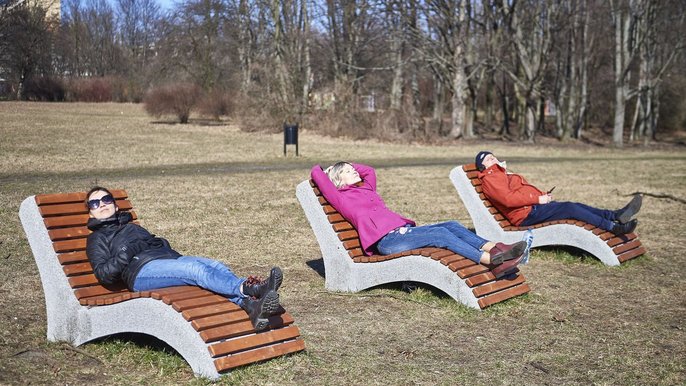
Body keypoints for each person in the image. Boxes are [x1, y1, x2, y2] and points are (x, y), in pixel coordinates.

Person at [84, 186, 282, 331]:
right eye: (95, 203)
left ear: (115, 205)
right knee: (195, 270)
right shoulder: (97, 238)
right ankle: (250, 288)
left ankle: (251, 306)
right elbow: (104, 274)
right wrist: (127, 251)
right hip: (140, 273)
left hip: (164, 261)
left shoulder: (131, 226)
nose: (102, 204)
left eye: (106, 199)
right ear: (91, 212)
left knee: (214, 265)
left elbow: (153, 244)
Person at [311, 162, 532, 279]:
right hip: (388, 241)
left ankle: (496, 248)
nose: (355, 173)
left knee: (452, 225)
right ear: (338, 181)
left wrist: (349, 166)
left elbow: (369, 170)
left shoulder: (366, 188)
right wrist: (328, 170)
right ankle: (491, 261)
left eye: (352, 169)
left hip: (402, 232)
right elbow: (317, 175)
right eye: (349, 172)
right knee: (441, 235)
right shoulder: (340, 197)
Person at [474, 151, 642, 235]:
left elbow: (517, 191)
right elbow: (508, 199)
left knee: (574, 206)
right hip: (525, 215)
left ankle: (615, 215)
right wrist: (538, 199)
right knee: (570, 208)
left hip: (530, 208)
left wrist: (542, 196)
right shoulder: (491, 178)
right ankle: (612, 227)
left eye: (492, 156)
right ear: (483, 167)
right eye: (488, 159)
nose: (493, 159)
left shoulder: (499, 173)